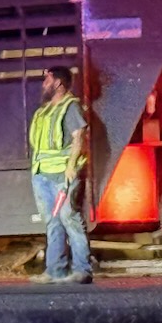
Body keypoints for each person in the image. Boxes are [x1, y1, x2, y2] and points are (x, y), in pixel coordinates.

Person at [28, 66, 94, 284]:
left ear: (58, 83)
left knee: (69, 217)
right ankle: (55, 270)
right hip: (42, 173)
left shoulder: (71, 106)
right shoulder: (45, 110)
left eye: (47, 79)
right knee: (52, 221)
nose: (44, 83)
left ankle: (82, 269)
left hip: (62, 174)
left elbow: (78, 137)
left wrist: (71, 166)